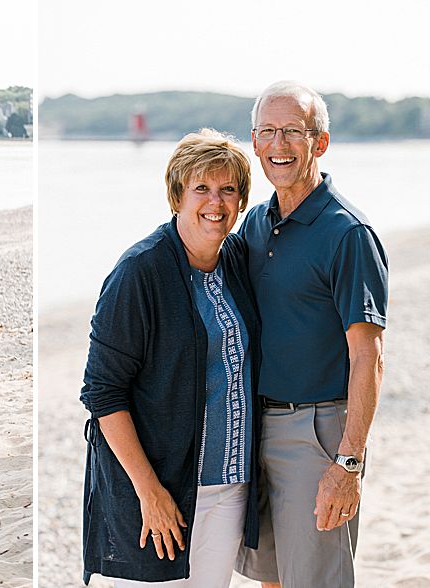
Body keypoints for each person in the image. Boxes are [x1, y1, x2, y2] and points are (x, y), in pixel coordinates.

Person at [80, 130, 261, 587]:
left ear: (241, 201)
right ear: (177, 195)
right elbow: (103, 393)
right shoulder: (139, 272)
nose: (214, 202)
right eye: (201, 188)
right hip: (159, 489)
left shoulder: (236, 260)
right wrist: (150, 492)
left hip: (228, 487)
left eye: (228, 190)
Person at [235, 81, 387, 588]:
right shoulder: (254, 225)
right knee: (273, 580)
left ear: (319, 143)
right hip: (256, 428)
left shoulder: (348, 235)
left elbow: (369, 357)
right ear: (254, 143)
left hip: (317, 433)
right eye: (268, 132)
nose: (279, 145)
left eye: (293, 132)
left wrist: (348, 463)